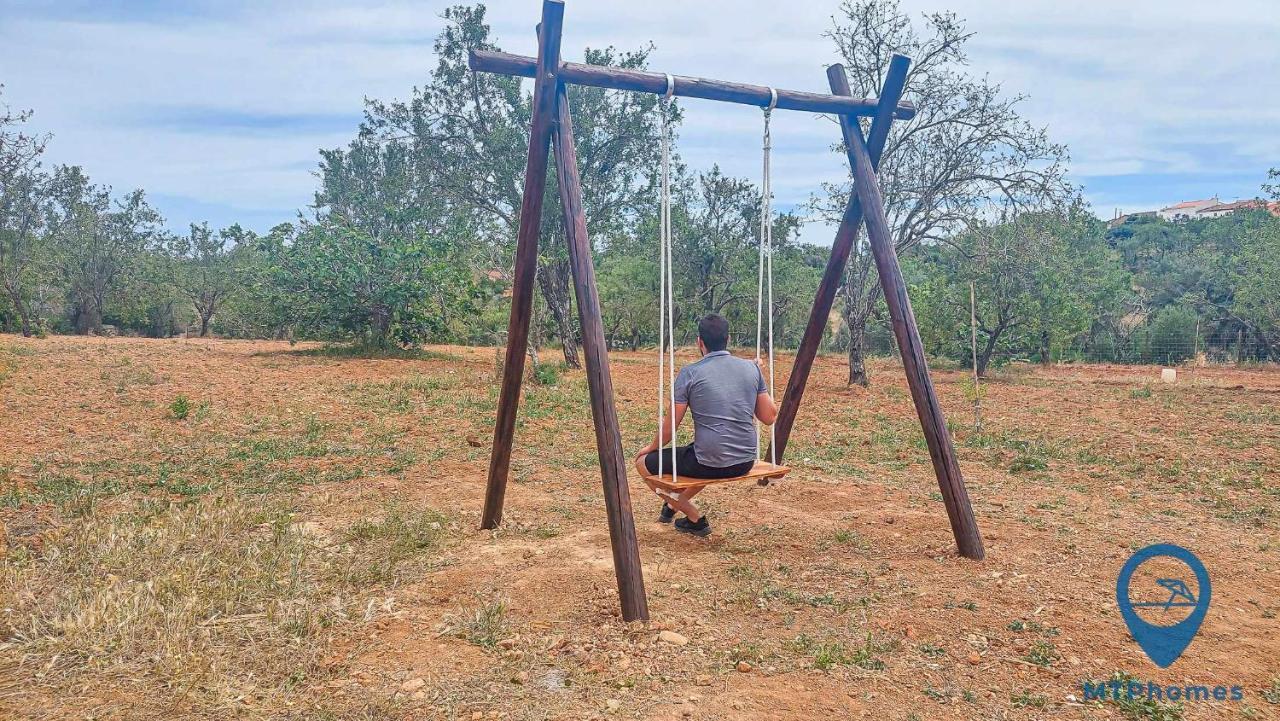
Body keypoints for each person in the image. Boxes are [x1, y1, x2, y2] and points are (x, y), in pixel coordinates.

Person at [633, 313, 778, 537]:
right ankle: (672, 506)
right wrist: (757, 378)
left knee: (644, 464)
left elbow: (671, 427)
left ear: (699, 342)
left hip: (709, 461)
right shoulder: (751, 369)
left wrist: (649, 449)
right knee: (703, 452)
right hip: (744, 461)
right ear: (728, 339)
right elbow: (769, 417)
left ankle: (694, 518)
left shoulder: (690, 373)